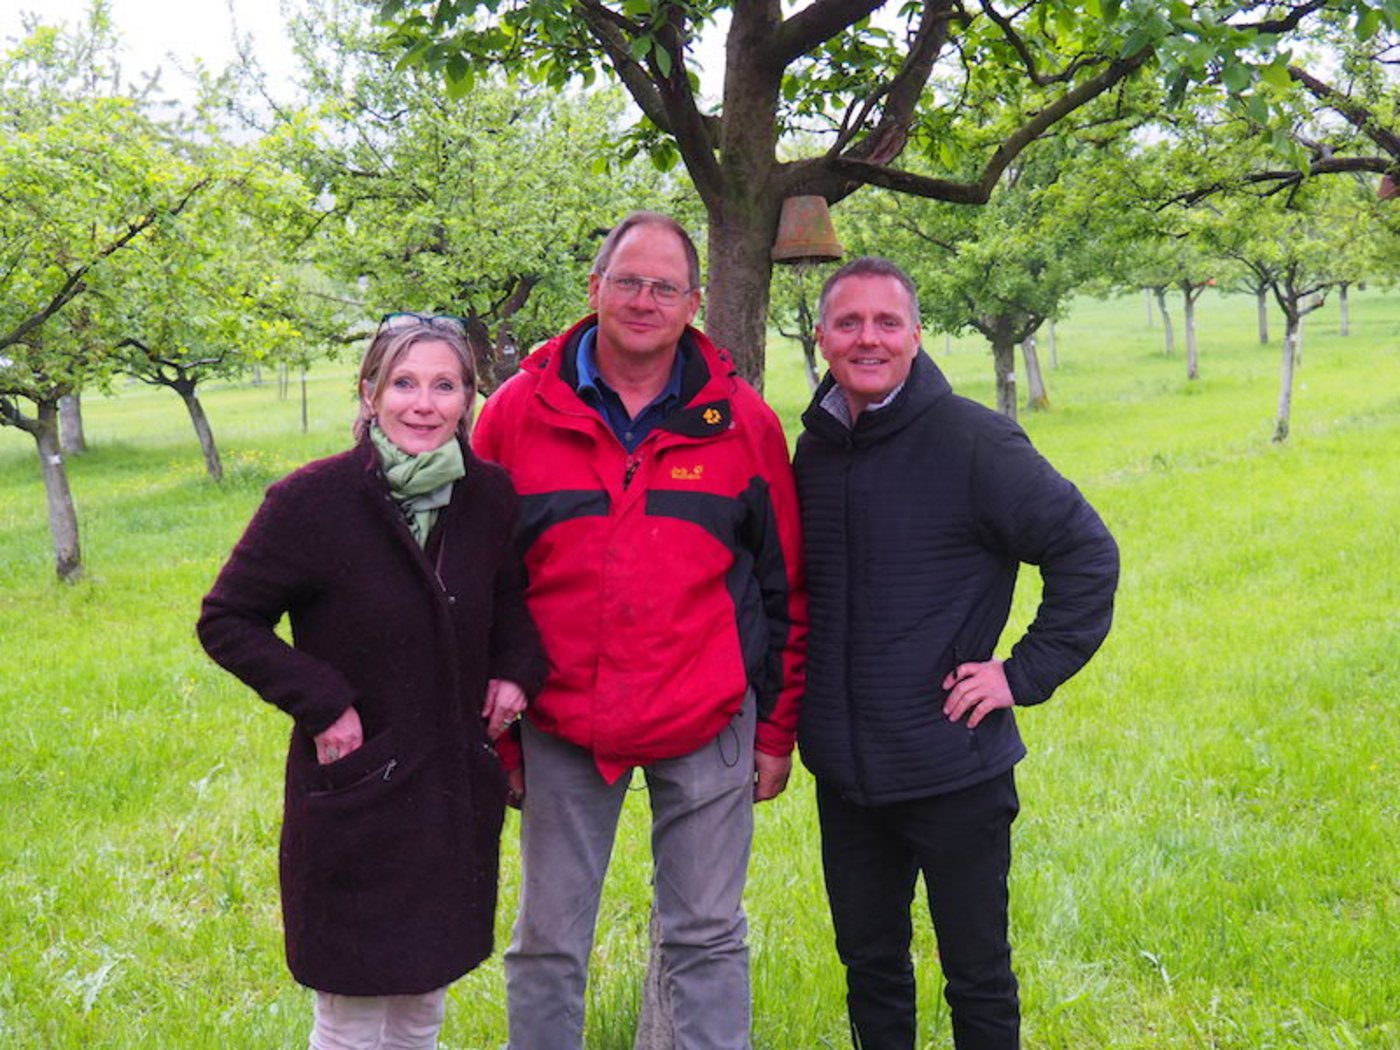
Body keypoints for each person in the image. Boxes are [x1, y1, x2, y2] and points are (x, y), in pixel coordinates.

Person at [471, 211, 806, 1050]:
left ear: (695, 302)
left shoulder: (743, 423)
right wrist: (500, 740)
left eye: (665, 286)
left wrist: (776, 730)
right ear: (593, 290)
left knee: (706, 938)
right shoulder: (516, 413)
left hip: (707, 716)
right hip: (559, 721)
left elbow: (786, 587)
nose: (645, 300)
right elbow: (477, 584)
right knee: (546, 943)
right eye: (628, 281)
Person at [793, 257, 1120, 1050]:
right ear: (822, 337)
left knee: (976, 971)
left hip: (952, 768)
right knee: (869, 967)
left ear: (915, 335)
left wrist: (1020, 673)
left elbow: (1087, 554)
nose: (867, 338)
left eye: (887, 322)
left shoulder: (976, 442)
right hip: (845, 778)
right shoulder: (814, 454)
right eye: (849, 322)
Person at [197, 314, 548, 1050]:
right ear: (370, 393)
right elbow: (228, 620)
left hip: (449, 788)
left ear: (468, 399)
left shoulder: (488, 497)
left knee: (423, 1000)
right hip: (357, 786)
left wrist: (516, 673)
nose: (424, 404)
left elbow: (509, 598)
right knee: (352, 1010)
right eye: (405, 383)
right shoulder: (311, 502)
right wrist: (324, 705)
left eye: (444, 385)